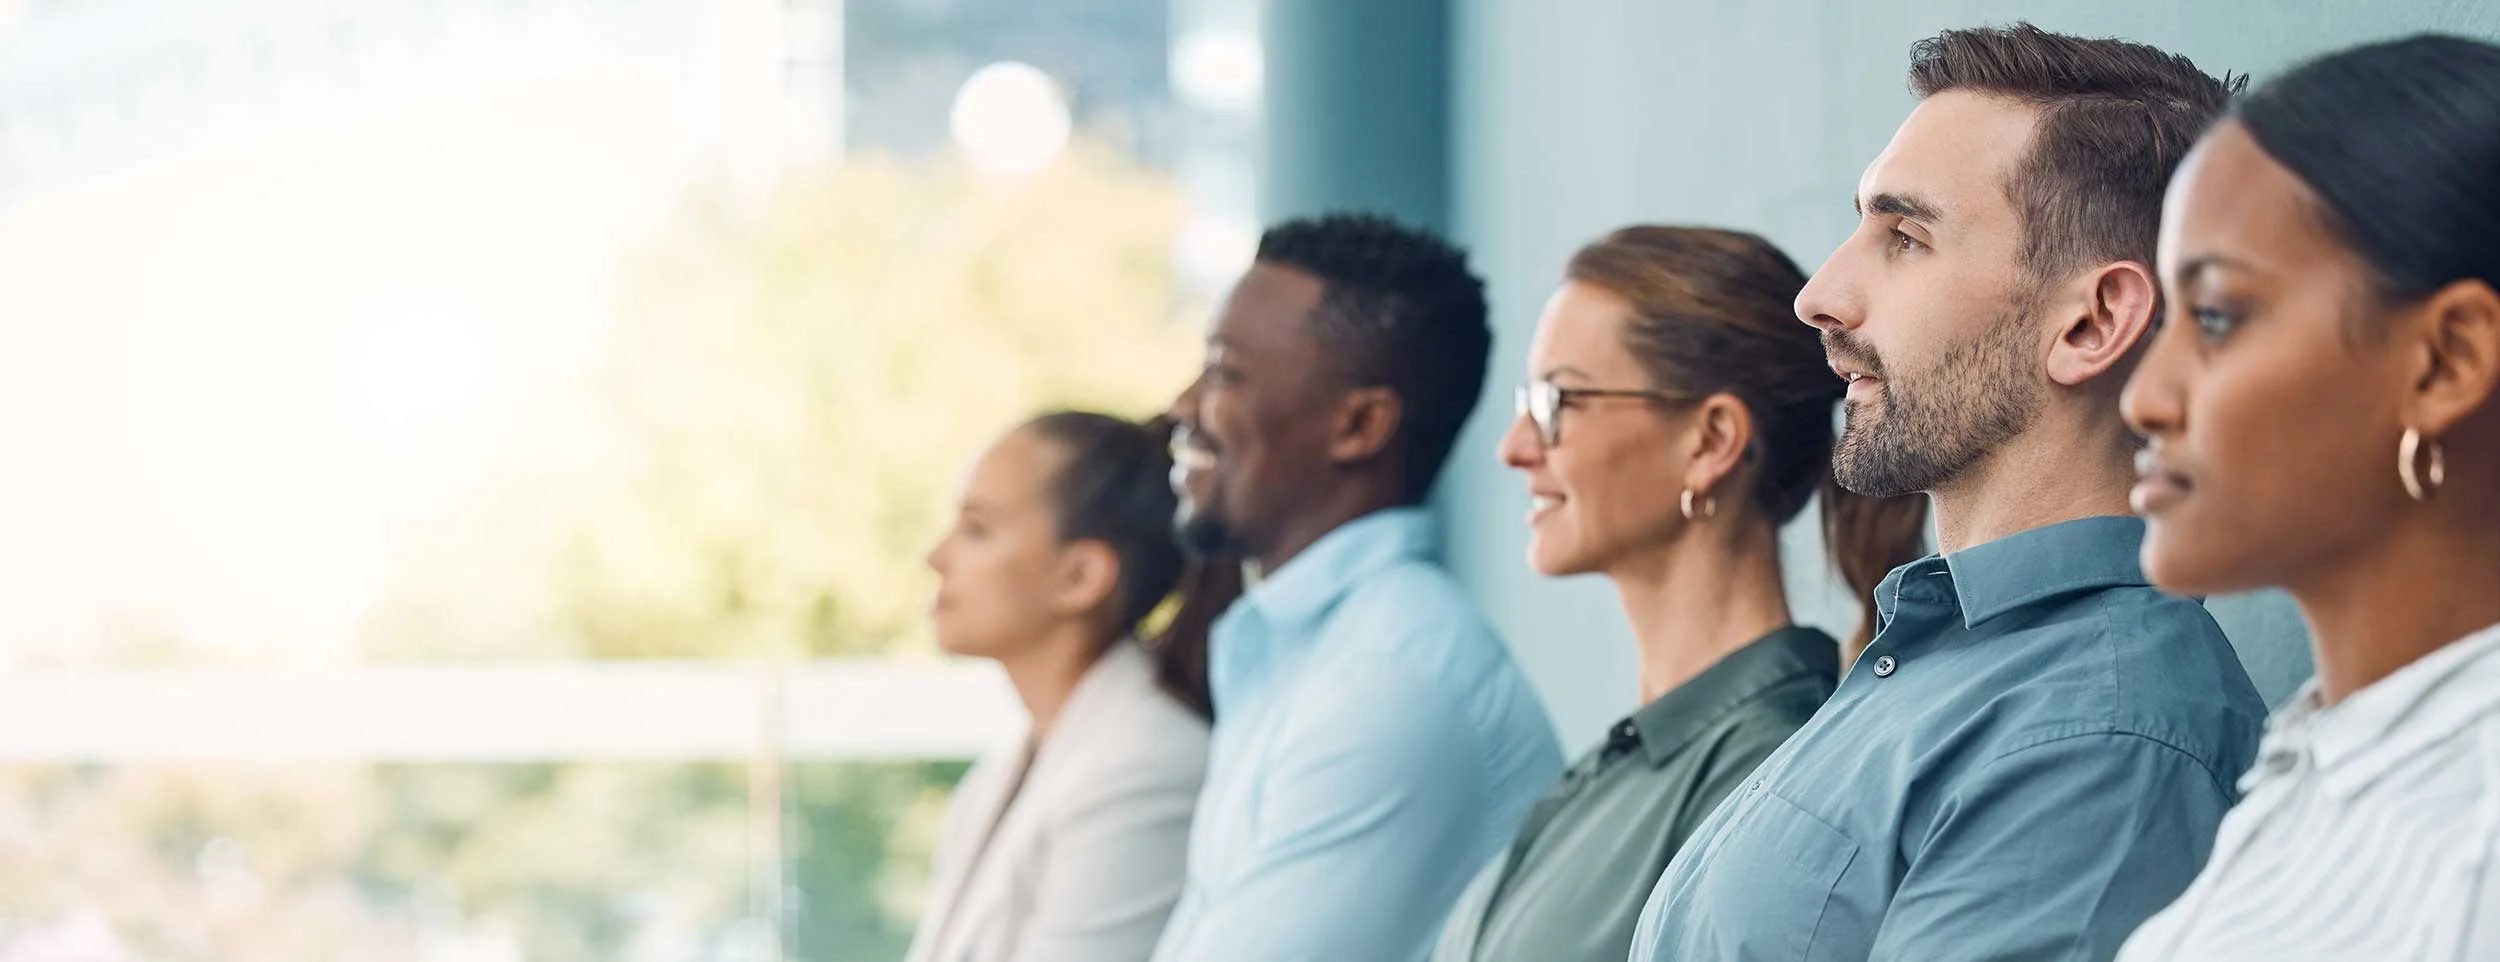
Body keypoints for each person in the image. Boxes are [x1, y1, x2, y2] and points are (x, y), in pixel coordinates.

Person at [1631, 24, 2268, 961]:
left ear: (2091, 323)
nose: (1819, 294)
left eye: (1905, 236)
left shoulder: (2099, 744)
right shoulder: (1940, 663)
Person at [1432, 226, 1927, 962]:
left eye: (1556, 400)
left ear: (1710, 440)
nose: (1515, 446)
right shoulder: (1638, 762)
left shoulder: (1768, 771)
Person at [2116, 35, 2500, 961]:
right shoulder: (2313, 771)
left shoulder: (2475, 841)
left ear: (2446, 361)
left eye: (2215, 317)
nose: (2142, 399)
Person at [1148, 212, 1565, 962]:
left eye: (1223, 373)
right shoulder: (1311, 651)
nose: (1183, 407)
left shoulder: (1387, 681)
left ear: (1360, 425)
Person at [908, 411, 1238, 962]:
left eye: (978, 529)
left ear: (1081, 576)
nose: (937, 557)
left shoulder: (1148, 771)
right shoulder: (1006, 771)